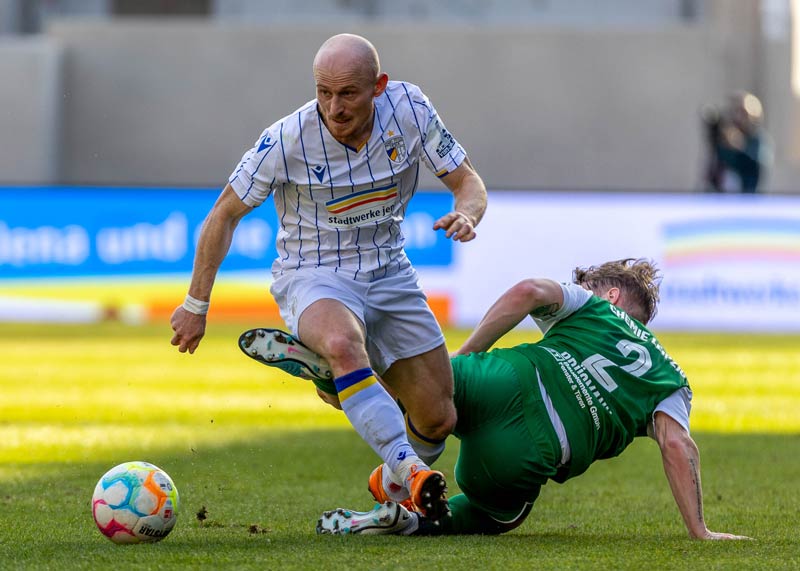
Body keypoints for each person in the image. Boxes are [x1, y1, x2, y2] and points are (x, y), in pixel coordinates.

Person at [169, 33, 488, 522]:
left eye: (347, 94)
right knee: (343, 342)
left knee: (438, 417)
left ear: (378, 86)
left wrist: (467, 213)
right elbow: (223, 214)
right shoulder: (286, 138)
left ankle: (385, 483)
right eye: (323, 93)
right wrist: (195, 305)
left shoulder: (411, 108)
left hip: (390, 269)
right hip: (314, 272)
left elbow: (467, 180)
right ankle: (404, 459)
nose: (333, 108)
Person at [315, 259, 751, 540]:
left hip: (500, 380)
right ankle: (410, 520)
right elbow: (677, 446)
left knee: (421, 393)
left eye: (588, 283)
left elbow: (528, 291)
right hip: (527, 452)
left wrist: (463, 359)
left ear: (612, 295)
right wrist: (700, 531)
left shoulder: (595, 308)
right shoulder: (671, 379)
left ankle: (342, 362)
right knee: (499, 515)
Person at [702, 91, 772, 193]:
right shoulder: (724, 136)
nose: (738, 117)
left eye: (743, 113)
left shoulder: (758, 139)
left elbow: (757, 167)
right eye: (735, 112)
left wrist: (739, 146)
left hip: (748, 196)